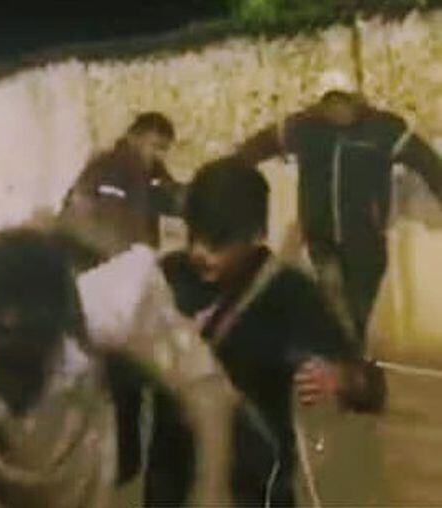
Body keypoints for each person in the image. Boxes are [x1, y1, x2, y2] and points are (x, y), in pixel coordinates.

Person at [160, 158, 386, 506]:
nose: (200, 252)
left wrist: (341, 379)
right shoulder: (167, 276)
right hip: (171, 486)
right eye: (195, 236)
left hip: (253, 490)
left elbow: (371, 391)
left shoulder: (289, 294)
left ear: (256, 235)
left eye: (218, 241)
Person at [0, 227, 193, 507]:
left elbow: (207, 391)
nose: (9, 320)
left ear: (60, 310)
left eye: (25, 306)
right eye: (0, 303)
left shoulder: (103, 324)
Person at [232, 75, 442, 347]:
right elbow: (261, 144)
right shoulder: (305, 127)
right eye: (330, 102)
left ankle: (352, 352)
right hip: (321, 237)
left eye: (343, 101)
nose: (338, 109)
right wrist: (229, 171)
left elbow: (426, 162)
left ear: (356, 100)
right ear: (321, 104)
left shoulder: (383, 129)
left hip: (366, 240)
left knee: (361, 311)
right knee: (336, 310)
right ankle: (347, 356)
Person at [57, 111, 185, 262]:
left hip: (126, 258)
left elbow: (172, 199)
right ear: (133, 138)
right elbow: (109, 218)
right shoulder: (112, 166)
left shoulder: (153, 174)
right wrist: (125, 257)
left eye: (164, 149)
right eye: (155, 146)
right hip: (91, 255)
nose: (159, 155)